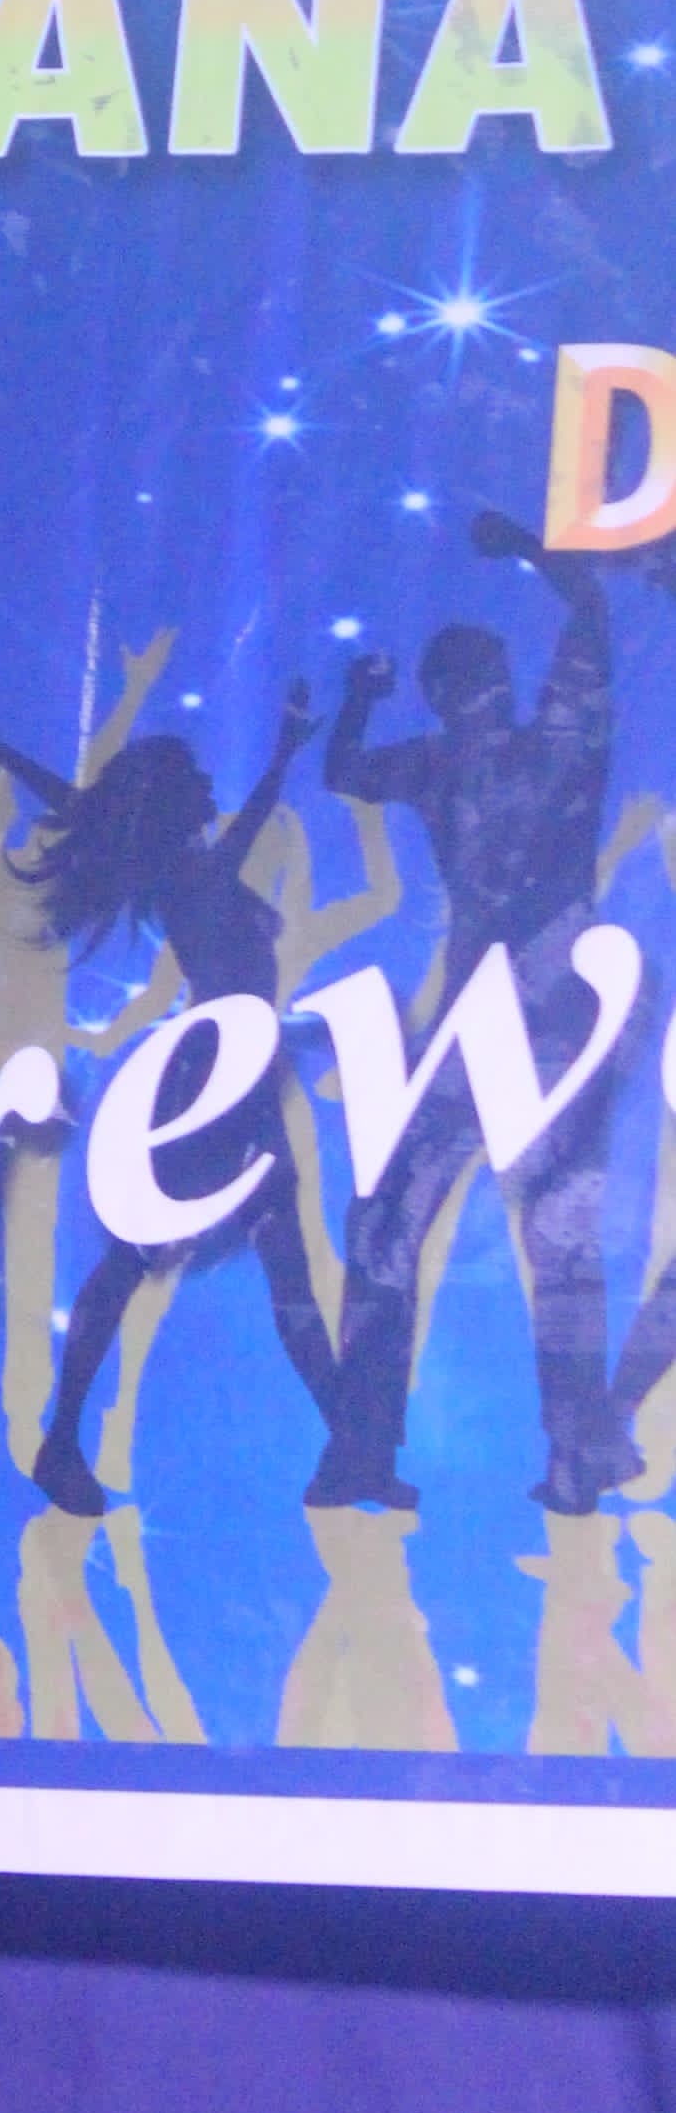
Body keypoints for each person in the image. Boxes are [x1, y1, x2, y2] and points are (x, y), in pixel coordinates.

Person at [0, 692, 337, 1515]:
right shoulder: (188, 874)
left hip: (233, 1077)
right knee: (161, 1260)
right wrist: (284, 751)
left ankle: (343, 1440)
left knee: (261, 1260)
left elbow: (87, 810)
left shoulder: (185, 868)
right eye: (196, 779)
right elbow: (110, 813)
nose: (210, 785)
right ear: (170, 802)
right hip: (213, 1083)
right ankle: (65, 1439)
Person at [311, 508, 630, 1517]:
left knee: (454, 1226)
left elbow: (343, 769)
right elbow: (588, 616)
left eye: (476, 681)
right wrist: (526, 552)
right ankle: (379, 1450)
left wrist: (359, 702)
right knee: (465, 1226)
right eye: (466, 686)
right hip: (510, 1017)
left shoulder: (510, 752)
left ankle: (396, 1449)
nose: (476, 698)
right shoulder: (501, 753)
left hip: (524, 1014)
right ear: (465, 694)